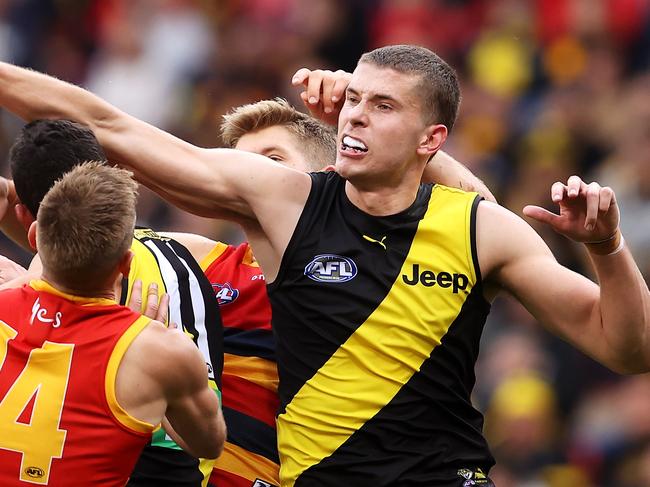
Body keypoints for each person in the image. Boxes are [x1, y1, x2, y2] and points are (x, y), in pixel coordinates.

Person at [1, 44, 649, 486]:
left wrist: (608, 249)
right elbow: (107, 127)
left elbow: (626, 348)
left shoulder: (479, 227)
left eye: (382, 106)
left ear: (432, 139)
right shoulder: (279, 211)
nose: (358, 115)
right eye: (355, 100)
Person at [0, 101, 494, 487]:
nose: (246, 179)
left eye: (272, 162)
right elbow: (74, 250)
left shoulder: (375, 271)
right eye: (237, 165)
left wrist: (376, 116)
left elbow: (481, 218)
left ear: (325, 181)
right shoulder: (197, 259)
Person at [1, 119, 225, 487]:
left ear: (30, 228)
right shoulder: (164, 334)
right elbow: (207, 445)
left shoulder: (7, 298)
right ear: (125, 260)